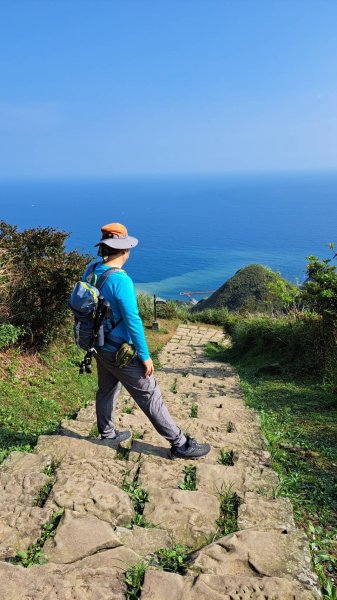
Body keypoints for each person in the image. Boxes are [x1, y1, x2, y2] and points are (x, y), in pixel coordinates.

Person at [82, 222, 210, 460]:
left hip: (98, 344)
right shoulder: (120, 281)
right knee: (150, 395)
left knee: (107, 389)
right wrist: (145, 355)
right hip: (120, 351)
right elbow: (133, 320)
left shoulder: (91, 270)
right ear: (124, 251)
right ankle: (180, 444)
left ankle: (107, 433)